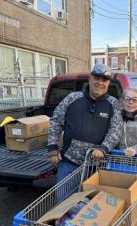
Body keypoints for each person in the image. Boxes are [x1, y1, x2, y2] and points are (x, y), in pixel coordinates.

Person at [47, 64, 123, 194]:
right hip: (69, 163)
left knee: (90, 206)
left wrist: (104, 148)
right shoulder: (72, 98)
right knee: (63, 206)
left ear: (108, 83)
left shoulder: (113, 103)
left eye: (104, 80)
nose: (100, 82)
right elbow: (55, 121)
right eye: (96, 78)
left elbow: (116, 130)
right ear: (90, 79)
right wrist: (52, 148)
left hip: (97, 166)